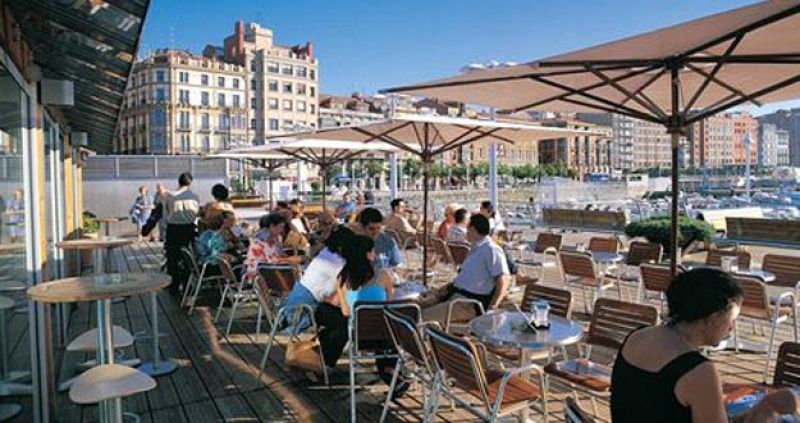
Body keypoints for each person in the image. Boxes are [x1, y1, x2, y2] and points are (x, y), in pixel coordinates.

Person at [611, 268, 799, 423]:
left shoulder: (638, 336)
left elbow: (654, 408)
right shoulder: (698, 371)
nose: (732, 328)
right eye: (731, 320)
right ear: (713, 318)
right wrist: (766, 408)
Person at [315, 235, 407, 394]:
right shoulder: (383, 275)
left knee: (373, 327)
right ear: (367, 254)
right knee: (386, 328)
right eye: (373, 251)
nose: (375, 254)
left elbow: (345, 312)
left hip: (357, 336)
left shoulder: (342, 278)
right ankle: (391, 372)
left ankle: (390, 372)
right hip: (383, 336)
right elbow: (390, 307)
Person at [421, 214, 510, 322]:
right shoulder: (476, 248)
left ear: (472, 229)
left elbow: (504, 278)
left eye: (467, 228)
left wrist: (493, 306)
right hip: (455, 295)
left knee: (421, 316)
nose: (466, 232)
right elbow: (467, 277)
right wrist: (445, 288)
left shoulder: (491, 249)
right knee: (413, 306)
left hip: (467, 304)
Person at [280, 225, 352, 333]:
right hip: (302, 312)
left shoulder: (326, 253)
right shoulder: (338, 263)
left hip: (294, 304)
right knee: (344, 320)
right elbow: (338, 297)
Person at [163, 172, 201, 294]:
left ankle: (173, 285)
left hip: (173, 229)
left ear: (179, 182)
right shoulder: (194, 197)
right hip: (189, 228)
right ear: (190, 183)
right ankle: (187, 285)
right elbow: (196, 213)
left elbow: (166, 212)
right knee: (187, 257)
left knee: (172, 258)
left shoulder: (170, 196)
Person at [243, 213, 303, 280]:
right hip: (259, 274)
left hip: (272, 270)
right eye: (280, 227)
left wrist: (291, 257)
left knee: (297, 267)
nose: (282, 230)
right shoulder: (258, 241)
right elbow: (267, 261)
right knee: (296, 268)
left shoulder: (276, 238)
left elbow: (279, 255)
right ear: (271, 226)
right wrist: (290, 260)